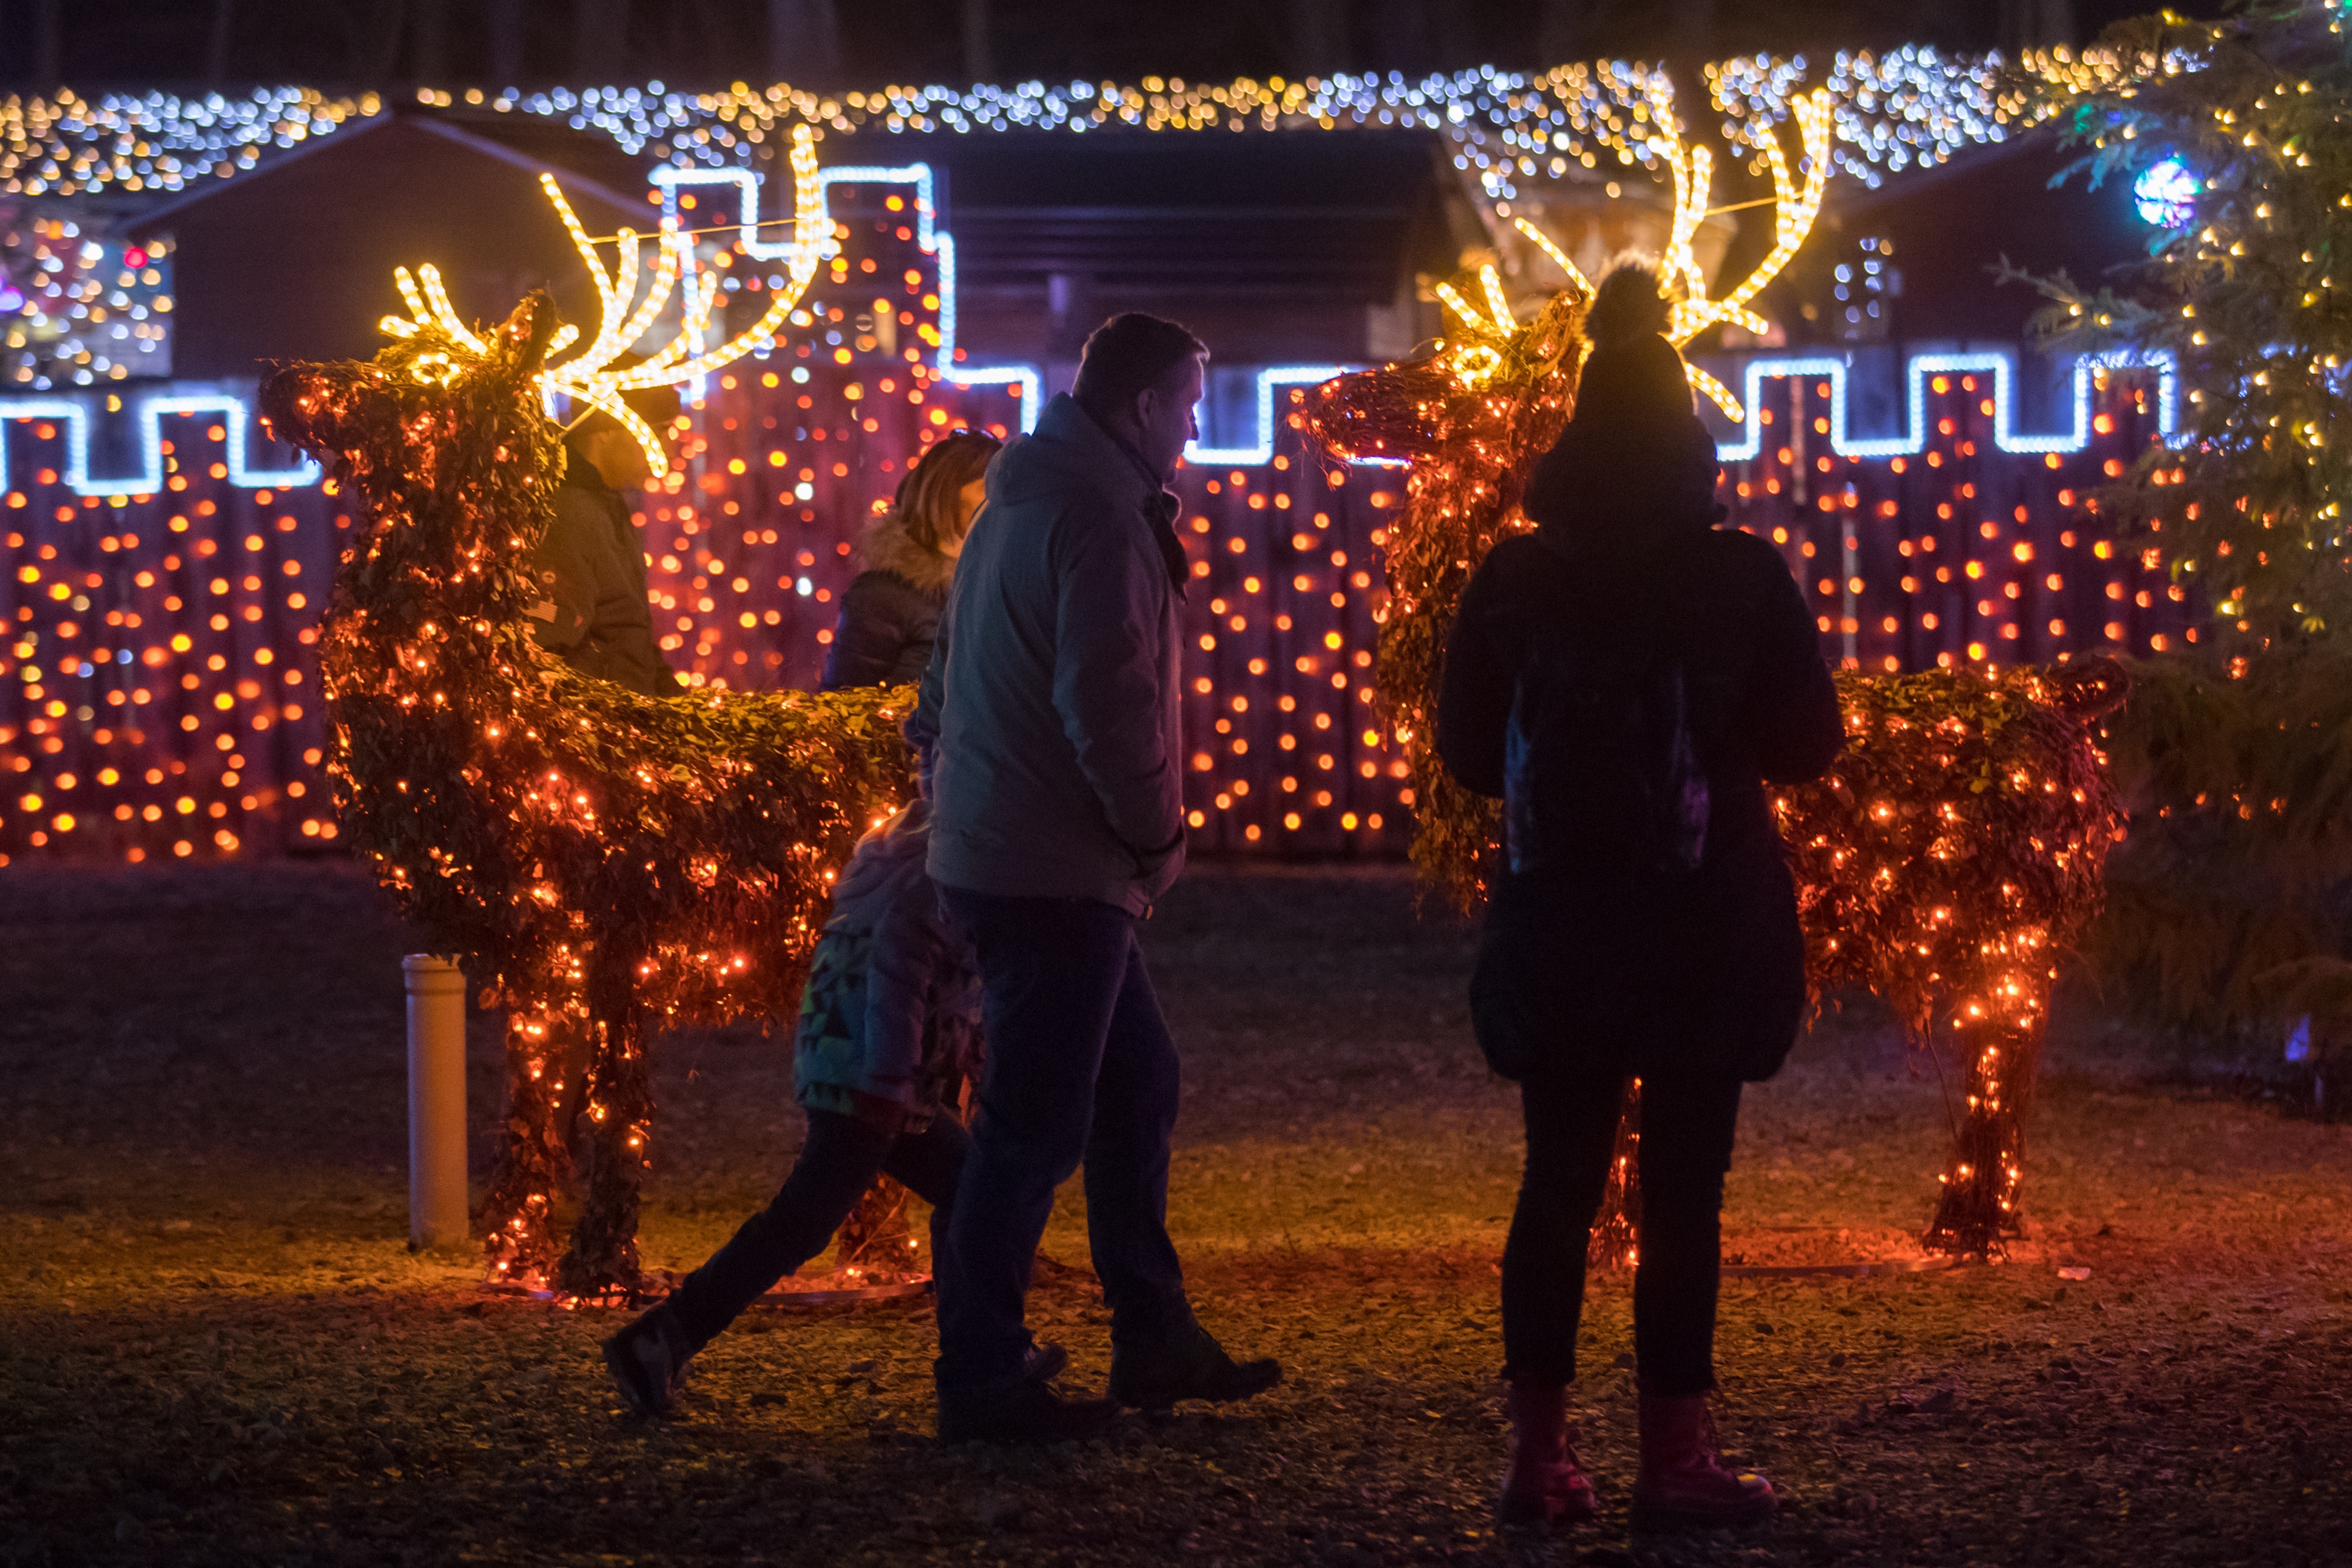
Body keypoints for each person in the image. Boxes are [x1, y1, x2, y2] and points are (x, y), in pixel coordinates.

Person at [1435, 263, 1842, 1532]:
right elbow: (1810, 746)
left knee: (1554, 1180)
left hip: (1557, 920)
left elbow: (1465, 753)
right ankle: (1676, 1456)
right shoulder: (1739, 575)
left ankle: (1537, 1458)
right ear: (1687, 440)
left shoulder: (1511, 579)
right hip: (1700, 926)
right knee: (1683, 1192)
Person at [914, 312, 1282, 1446]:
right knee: (1032, 1124)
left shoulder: (1019, 504)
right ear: (1141, 406)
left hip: (1005, 847)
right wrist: (1156, 833)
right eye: (1188, 407)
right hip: (1056, 863)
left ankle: (1148, 1329)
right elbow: (1109, 702)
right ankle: (984, 1369)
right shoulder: (1100, 518)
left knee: (1131, 1082)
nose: (1195, 431)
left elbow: (944, 675)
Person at [600, 799, 1067, 1417]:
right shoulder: (942, 874)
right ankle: (660, 1339)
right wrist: (890, 1080)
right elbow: (899, 975)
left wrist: (949, 1057)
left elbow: (935, 985)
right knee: (806, 1219)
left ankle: (986, 1350)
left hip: (856, 1063)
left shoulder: (907, 862)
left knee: (963, 1188)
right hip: (871, 1077)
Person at [528, 386, 683, 697]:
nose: (669, 450)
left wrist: (673, 704)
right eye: (659, 432)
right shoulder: (569, 514)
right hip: (600, 720)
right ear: (607, 429)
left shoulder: (606, 507)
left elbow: (627, 629)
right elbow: (550, 647)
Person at [821, 429, 1001, 691]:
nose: (1002, 500)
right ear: (947, 493)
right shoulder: (883, 595)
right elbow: (843, 700)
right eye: (989, 487)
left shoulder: (1000, 588)